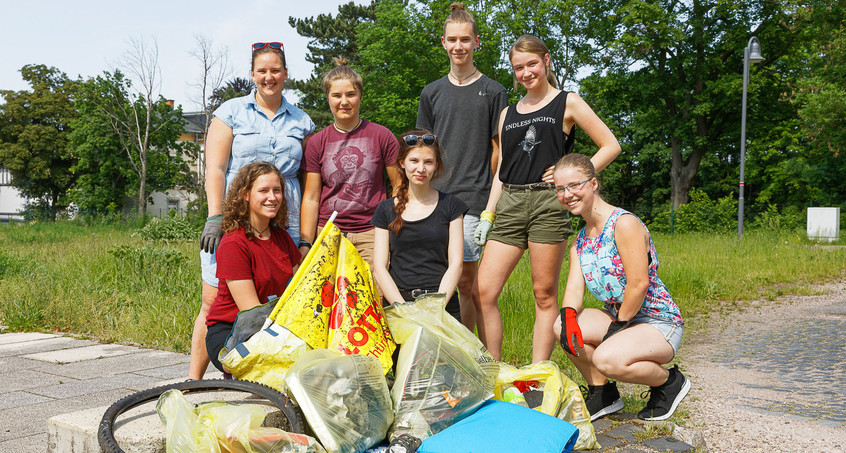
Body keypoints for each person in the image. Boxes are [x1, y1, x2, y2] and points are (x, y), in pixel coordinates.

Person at [473, 35, 621, 362]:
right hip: (509, 202)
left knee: (543, 294)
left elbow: (611, 145)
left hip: (549, 205)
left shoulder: (567, 102)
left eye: (531, 64)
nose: (526, 73)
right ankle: (493, 371)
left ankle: (536, 376)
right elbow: (501, 172)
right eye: (518, 68)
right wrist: (488, 214)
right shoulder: (508, 113)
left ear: (546, 60)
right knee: (482, 291)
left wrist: (572, 176)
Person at [191, 42, 315, 380]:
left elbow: (309, 182)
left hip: (282, 218)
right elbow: (215, 169)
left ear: (286, 74)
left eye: (275, 70)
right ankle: (194, 378)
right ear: (252, 75)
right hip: (235, 217)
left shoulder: (301, 120)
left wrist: (305, 238)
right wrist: (216, 216)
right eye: (262, 70)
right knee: (215, 299)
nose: (269, 76)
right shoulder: (231, 112)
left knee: (279, 297)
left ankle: (269, 369)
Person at [552, 153, 688, 421]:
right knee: (560, 327)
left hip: (656, 321)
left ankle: (668, 383)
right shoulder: (580, 240)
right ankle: (603, 393)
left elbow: (638, 284)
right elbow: (573, 289)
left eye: (574, 185)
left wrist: (618, 327)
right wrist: (568, 317)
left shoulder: (624, 224)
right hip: (618, 317)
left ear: (593, 183)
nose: (567, 194)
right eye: (560, 189)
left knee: (607, 359)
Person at [416, 2, 508, 332]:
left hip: (472, 201)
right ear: (443, 42)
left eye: (465, 39)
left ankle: (471, 355)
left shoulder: (494, 91)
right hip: (433, 201)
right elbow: (423, 151)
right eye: (452, 39)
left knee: (468, 284)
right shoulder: (431, 93)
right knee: (433, 281)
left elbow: (499, 154)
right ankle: (440, 351)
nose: (459, 46)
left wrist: (490, 209)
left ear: (476, 42)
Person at [301, 58, 402, 268]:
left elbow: (399, 186)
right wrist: (306, 242)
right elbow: (311, 197)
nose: (343, 101)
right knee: (327, 297)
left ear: (361, 97)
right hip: (328, 231)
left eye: (350, 94)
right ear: (328, 98)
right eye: (336, 95)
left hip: (372, 232)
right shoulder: (317, 142)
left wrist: (395, 227)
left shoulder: (382, 136)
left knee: (373, 295)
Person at [204, 162, 302, 373]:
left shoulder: (282, 238)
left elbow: (298, 293)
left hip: (273, 328)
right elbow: (252, 313)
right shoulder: (233, 244)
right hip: (232, 333)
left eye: (277, 190)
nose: (272, 197)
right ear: (246, 195)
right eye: (263, 191)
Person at [371, 131, 467, 321]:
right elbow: (380, 268)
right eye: (414, 161)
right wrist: (403, 310)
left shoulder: (452, 206)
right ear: (402, 163)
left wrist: (436, 308)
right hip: (399, 307)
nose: (420, 169)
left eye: (428, 162)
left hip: (442, 306)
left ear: (436, 165)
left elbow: (456, 264)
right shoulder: (385, 209)